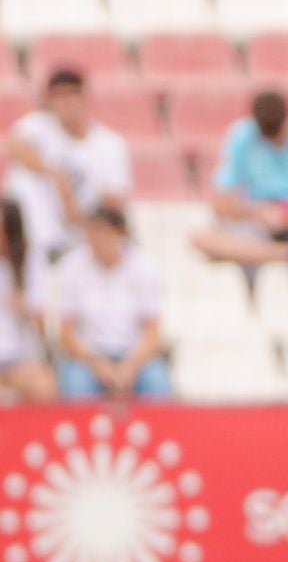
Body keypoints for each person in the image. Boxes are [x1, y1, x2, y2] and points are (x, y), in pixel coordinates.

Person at [191, 90, 288, 273]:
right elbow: (221, 203)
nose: (275, 142)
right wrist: (257, 212)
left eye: (280, 134)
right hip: (259, 226)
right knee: (204, 239)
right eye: (268, 138)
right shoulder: (242, 137)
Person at [4, 67, 131, 261]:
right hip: (39, 235)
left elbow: (112, 202)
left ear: (85, 97)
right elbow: (15, 147)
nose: (65, 102)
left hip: (83, 234)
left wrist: (76, 211)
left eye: (71, 95)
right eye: (57, 96)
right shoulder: (39, 126)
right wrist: (56, 177)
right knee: (25, 178)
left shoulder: (110, 144)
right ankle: (38, 245)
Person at [54, 206, 168, 399]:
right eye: (91, 232)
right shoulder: (72, 266)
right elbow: (66, 333)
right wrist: (96, 363)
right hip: (87, 357)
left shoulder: (144, 266)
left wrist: (130, 365)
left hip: (134, 355)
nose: (95, 240)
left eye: (101, 232)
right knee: (77, 386)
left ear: (119, 233)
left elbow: (153, 332)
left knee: (157, 383)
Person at [0, 199, 57, 402]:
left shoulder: (31, 261)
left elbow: (43, 329)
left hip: (19, 357)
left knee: (44, 387)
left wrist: (26, 309)